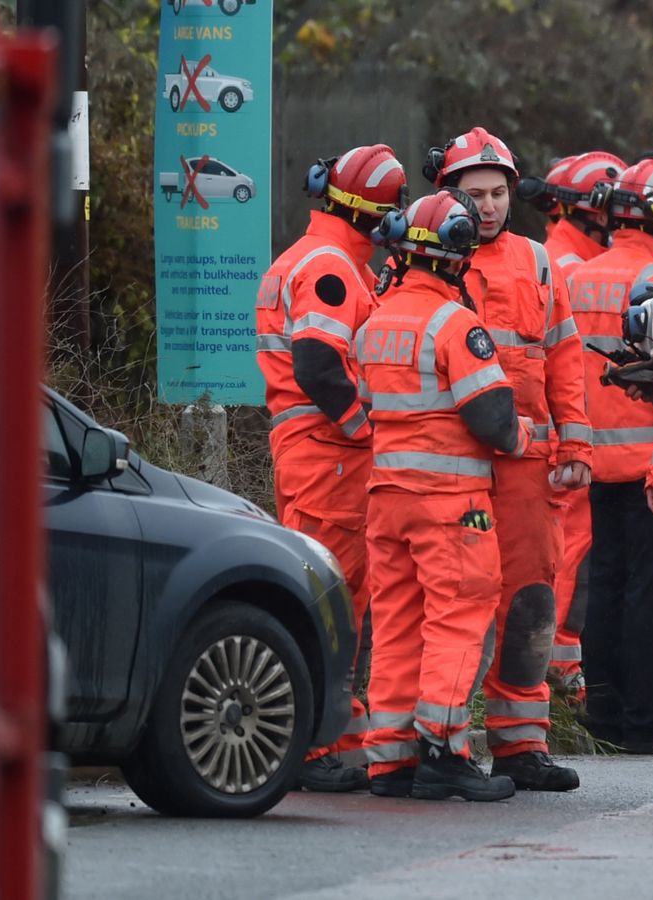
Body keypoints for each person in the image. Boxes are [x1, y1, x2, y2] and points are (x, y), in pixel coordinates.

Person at [426, 127, 591, 790]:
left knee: (529, 601)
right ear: (451, 193)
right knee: (458, 601)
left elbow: (565, 355)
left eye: (498, 193)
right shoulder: (427, 255)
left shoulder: (538, 261)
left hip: (527, 466)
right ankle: (442, 745)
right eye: (476, 194)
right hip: (455, 460)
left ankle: (522, 745)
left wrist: (575, 441)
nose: (489, 206)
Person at [357, 189, 531, 801]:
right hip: (451, 501)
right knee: (459, 614)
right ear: (458, 254)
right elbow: (493, 419)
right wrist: (525, 435)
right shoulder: (456, 324)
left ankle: (390, 759)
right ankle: (442, 750)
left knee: (397, 622)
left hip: (387, 498)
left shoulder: (375, 324)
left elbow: (369, 404)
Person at [255, 144, 406, 792]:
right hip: (330, 457)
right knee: (333, 601)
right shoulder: (332, 268)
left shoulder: (313, 257)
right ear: (378, 215)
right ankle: (316, 746)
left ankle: (337, 735)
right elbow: (319, 364)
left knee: (329, 596)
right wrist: (365, 431)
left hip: (311, 452)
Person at [564, 153, 653, 755]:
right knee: (648, 594)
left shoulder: (574, 280)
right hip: (652, 468)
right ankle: (649, 718)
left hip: (593, 462)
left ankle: (605, 711)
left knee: (604, 586)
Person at [542, 150, 626, 700]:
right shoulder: (575, 270)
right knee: (571, 555)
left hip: (561, 432)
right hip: (566, 437)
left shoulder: (559, 261)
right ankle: (562, 669)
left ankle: (560, 668)